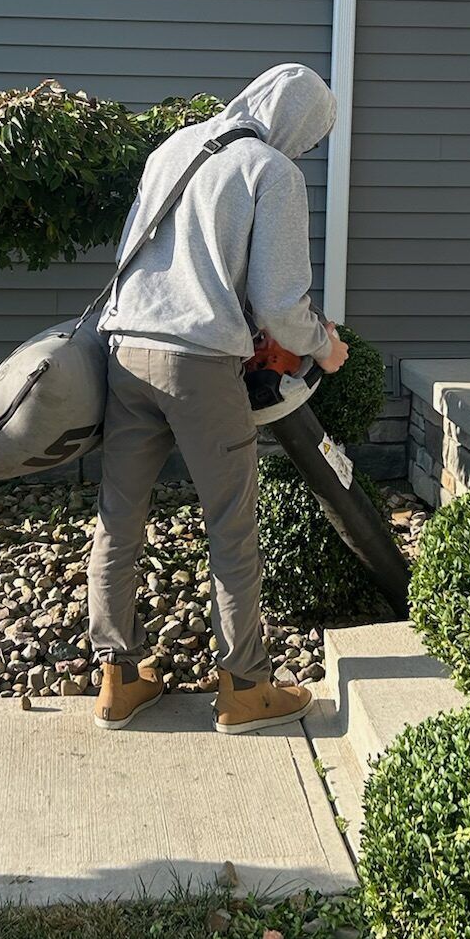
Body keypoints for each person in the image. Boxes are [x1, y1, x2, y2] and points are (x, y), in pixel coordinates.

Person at [88, 63, 349, 734]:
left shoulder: (174, 147)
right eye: (311, 136)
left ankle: (115, 682)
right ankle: (244, 689)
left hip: (124, 349)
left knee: (119, 517)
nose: (303, 150)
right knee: (231, 525)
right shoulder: (272, 171)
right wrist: (324, 345)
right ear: (298, 121)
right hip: (200, 362)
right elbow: (280, 304)